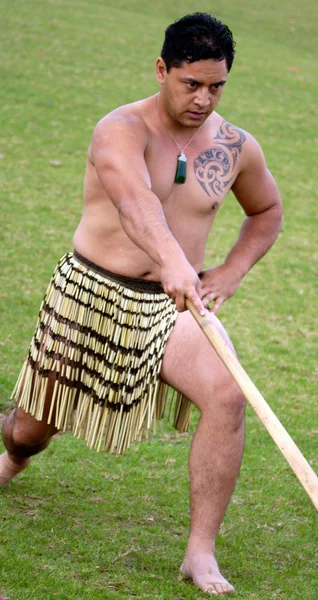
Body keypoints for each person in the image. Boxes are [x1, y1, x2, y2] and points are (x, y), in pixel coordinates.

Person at [0, 12, 282, 596]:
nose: (204, 98)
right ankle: (13, 456)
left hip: (174, 308)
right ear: (162, 70)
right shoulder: (120, 129)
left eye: (217, 86)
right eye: (191, 84)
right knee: (30, 430)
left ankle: (200, 553)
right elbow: (135, 204)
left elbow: (266, 212)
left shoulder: (234, 147)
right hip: (93, 292)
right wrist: (173, 256)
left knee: (227, 396)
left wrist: (229, 269)